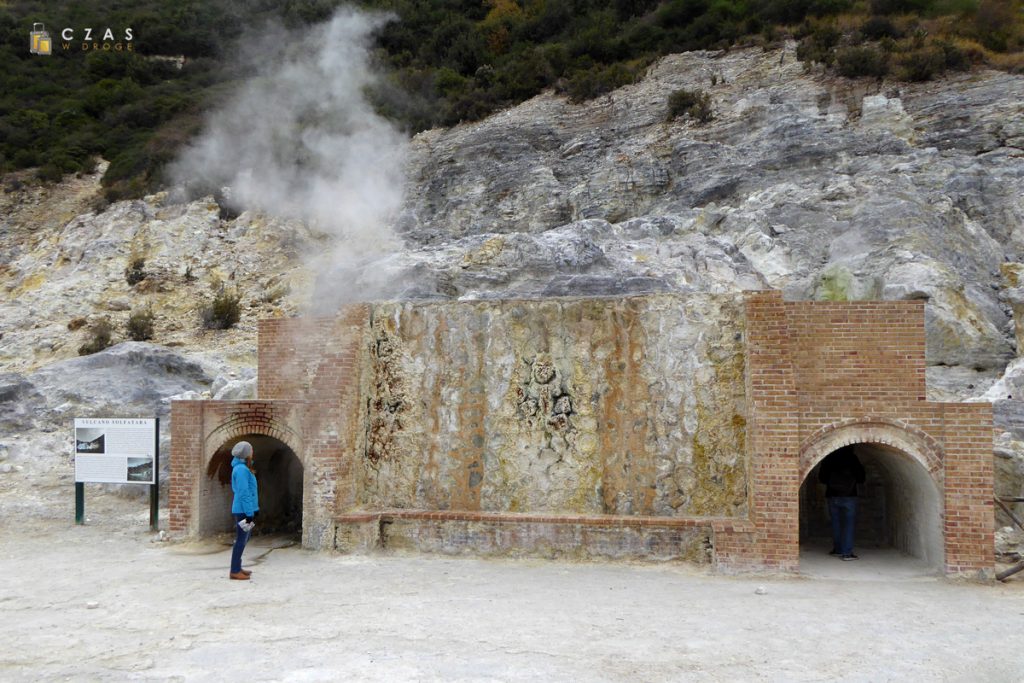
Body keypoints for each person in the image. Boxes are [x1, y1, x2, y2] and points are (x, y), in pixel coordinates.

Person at [818, 446, 866, 561]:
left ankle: (838, 549)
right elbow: (861, 478)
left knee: (836, 523)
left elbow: (822, 478)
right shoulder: (852, 459)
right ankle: (847, 553)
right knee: (848, 524)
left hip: (832, 495)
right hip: (849, 496)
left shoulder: (828, 458)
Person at [229, 441, 259, 580]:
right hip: (242, 510)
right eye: (251, 449)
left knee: (243, 539)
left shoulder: (243, 467)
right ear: (246, 453)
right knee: (241, 540)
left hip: (244, 509)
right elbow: (244, 492)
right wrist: (249, 513)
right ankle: (235, 570)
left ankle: (238, 567)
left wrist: (253, 509)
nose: (253, 451)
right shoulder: (241, 469)